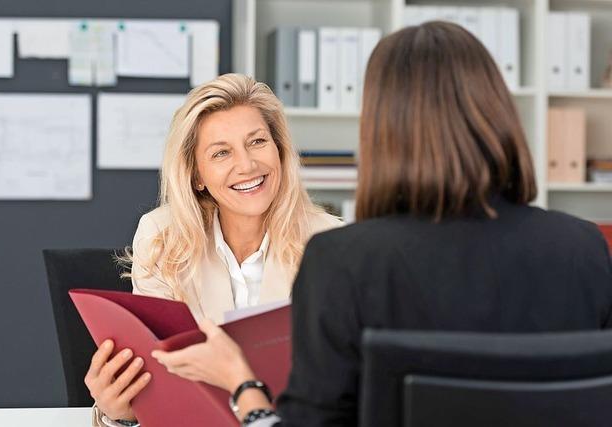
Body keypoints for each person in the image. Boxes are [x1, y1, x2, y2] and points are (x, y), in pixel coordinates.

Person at [151, 21, 612, 426]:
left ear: (381, 129)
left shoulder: (342, 261)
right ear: (501, 115)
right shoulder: (584, 248)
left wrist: (243, 386)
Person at [84, 73, 342, 427]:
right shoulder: (163, 237)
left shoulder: (333, 246)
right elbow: (158, 390)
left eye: (257, 142)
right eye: (221, 152)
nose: (248, 165)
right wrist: (119, 413)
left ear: (280, 152)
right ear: (197, 175)